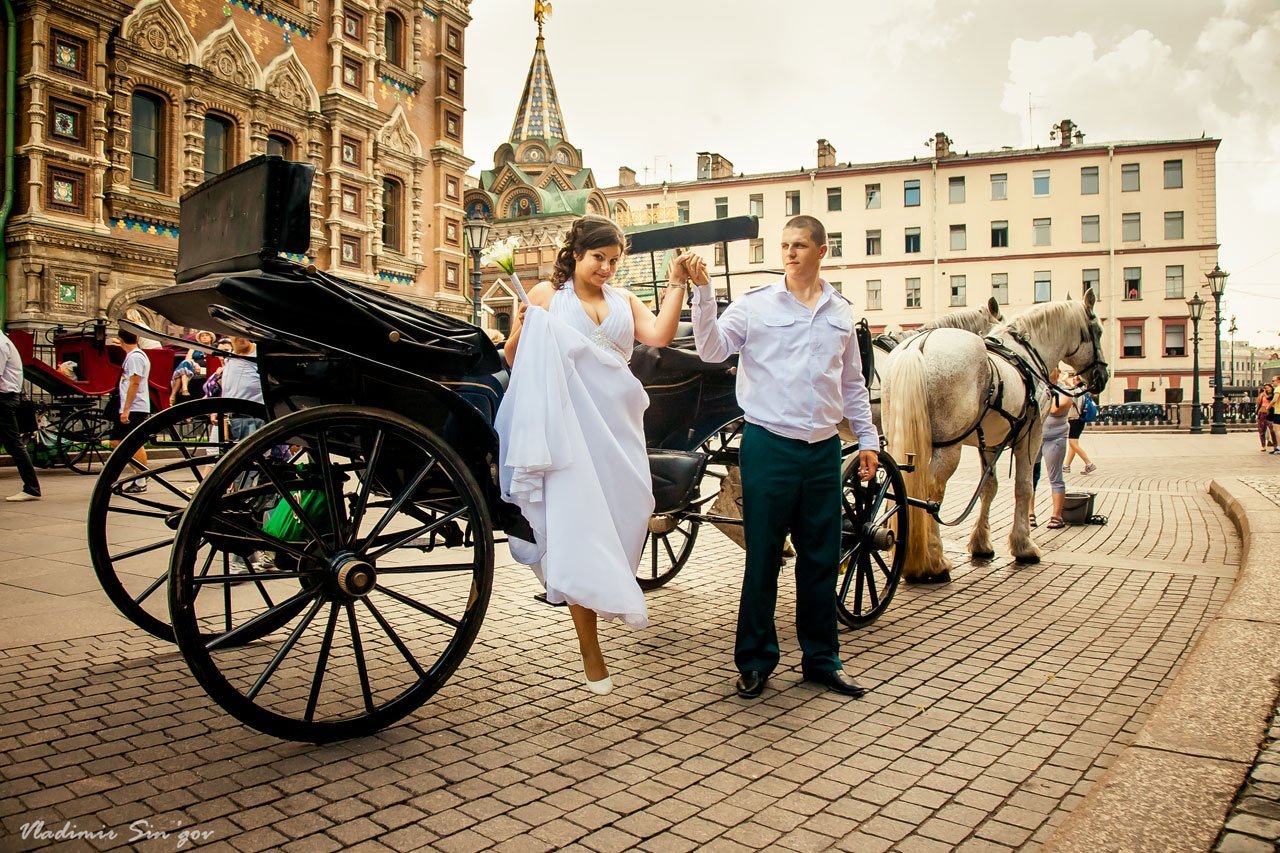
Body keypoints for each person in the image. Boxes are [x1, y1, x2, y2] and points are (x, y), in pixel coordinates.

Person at [690, 215, 878, 700]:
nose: (790, 253)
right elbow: (711, 350)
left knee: (819, 559)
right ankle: (754, 661)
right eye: (785, 246)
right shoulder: (755, 306)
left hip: (822, 450)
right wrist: (704, 293)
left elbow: (853, 384)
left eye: (799, 246)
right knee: (764, 559)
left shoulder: (842, 311)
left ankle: (821, 660)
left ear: (822, 251)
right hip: (769, 444)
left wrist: (869, 440)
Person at [498, 214, 684, 695]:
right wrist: (521, 328)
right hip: (569, 431)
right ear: (576, 254)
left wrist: (679, 285)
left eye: (613, 261)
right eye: (598, 258)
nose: (606, 268)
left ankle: (609, 589)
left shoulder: (623, 298)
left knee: (630, 515)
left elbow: (660, 335)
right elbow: (516, 358)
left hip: (620, 426)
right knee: (580, 528)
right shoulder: (544, 297)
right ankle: (589, 644)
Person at [0, 329, 42, 502]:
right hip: (5, 398)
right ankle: (31, 487)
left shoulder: (1, 344)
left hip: (3, 399)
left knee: (14, 445)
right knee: (13, 445)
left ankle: (32, 488)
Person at [109, 329, 151, 493]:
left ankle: (141, 478)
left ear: (121, 339)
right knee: (118, 442)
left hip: (135, 406)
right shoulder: (134, 355)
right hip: (132, 405)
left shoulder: (135, 357)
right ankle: (140, 475)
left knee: (131, 443)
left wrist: (126, 409)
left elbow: (134, 382)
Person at [1039, 369, 1074, 529]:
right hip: (1036, 438)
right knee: (1030, 476)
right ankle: (1029, 513)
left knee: (1055, 478)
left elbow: (1053, 409)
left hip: (1055, 439)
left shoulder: (1064, 391)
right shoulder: (1039, 386)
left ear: (1057, 372)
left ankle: (1057, 516)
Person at [1063, 373, 1097, 474]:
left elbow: (1066, 385)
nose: (1073, 381)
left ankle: (1089, 463)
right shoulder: (1083, 391)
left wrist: (1065, 378)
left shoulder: (1076, 391)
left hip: (1074, 420)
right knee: (1073, 444)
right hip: (1079, 420)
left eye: (1075, 379)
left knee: (1073, 443)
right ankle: (1066, 466)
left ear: (1079, 381)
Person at [1257, 384, 1276, 452]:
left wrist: (1264, 394)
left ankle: (1275, 446)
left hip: (1270, 413)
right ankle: (1263, 445)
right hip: (1262, 412)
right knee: (1261, 430)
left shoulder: (1274, 394)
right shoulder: (1262, 395)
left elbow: (1270, 400)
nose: (1267, 389)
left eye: (1268, 388)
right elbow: (1259, 403)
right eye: (1265, 388)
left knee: (1273, 430)